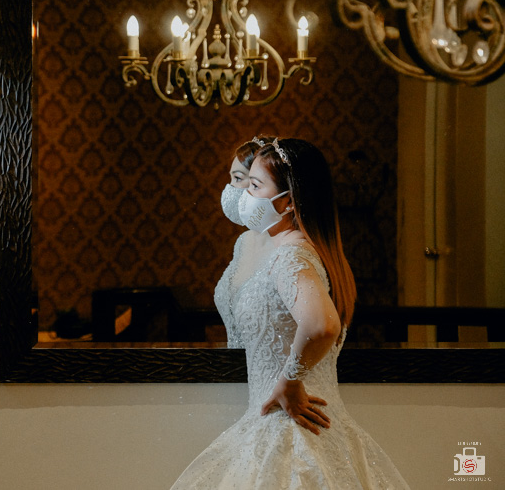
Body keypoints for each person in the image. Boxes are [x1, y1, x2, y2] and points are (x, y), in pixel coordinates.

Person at [170, 138, 409, 489]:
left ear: (289, 201)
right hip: (286, 422)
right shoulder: (297, 250)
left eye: (255, 186)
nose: (245, 195)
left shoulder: (291, 255)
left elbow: (322, 325)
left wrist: (289, 381)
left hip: (291, 426)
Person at [217, 136, 276, 348]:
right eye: (231, 178)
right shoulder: (244, 241)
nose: (230, 188)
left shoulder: (288, 247)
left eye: (238, 178)